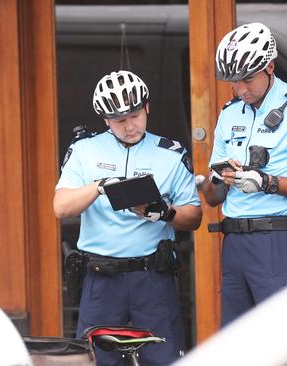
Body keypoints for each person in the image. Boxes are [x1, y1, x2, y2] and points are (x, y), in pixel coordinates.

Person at [54, 70, 202, 366]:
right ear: (106, 120)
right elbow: (61, 207)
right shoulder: (84, 150)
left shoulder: (171, 153)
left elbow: (194, 216)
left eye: (135, 116)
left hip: (152, 277)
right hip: (101, 277)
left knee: (163, 358)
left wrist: (165, 212)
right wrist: (98, 186)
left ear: (147, 108)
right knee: (98, 361)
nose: (129, 126)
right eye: (119, 120)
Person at [196, 23, 287, 326]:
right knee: (236, 341)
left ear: (270, 66)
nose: (240, 89)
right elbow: (215, 197)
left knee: (283, 338)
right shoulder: (230, 111)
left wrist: (268, 182)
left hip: (278, 238)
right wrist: (206, 182)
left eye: (247, 79)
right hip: (234, 240)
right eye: (234, 82)